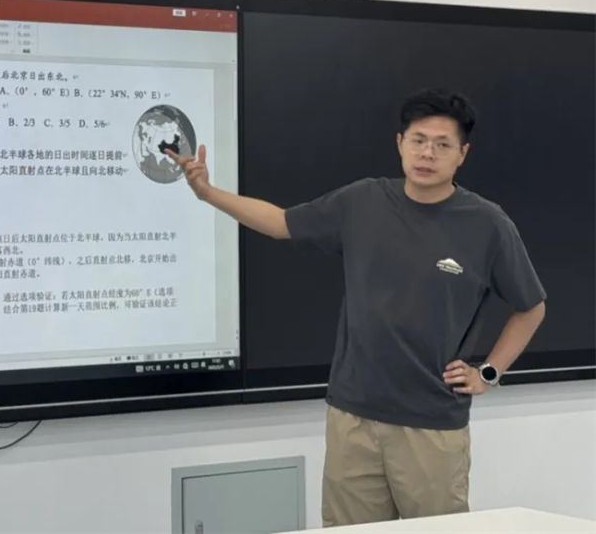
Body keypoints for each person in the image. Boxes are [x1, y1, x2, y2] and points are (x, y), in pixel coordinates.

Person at [166, 88, 547, 527]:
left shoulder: (487, 224)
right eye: (418, 140)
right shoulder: (363, 201)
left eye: (442, 144)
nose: (427, 153)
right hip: (352, 417)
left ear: (462, 154)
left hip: (431, 424)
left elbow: (531, 307)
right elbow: (279, 223)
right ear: (400, 143)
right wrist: (207, 193)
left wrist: (489, 373)